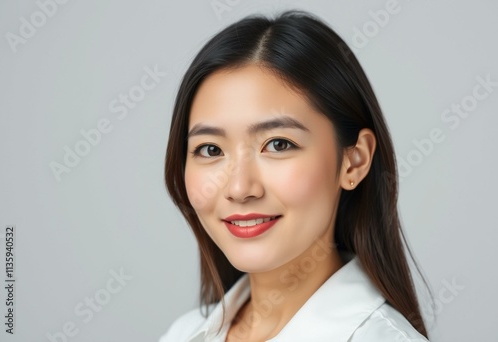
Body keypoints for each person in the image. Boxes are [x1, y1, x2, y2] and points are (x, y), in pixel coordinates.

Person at [160, 10, 431, 342]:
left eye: (278, 144)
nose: (239, 188)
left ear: (354, 161)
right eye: (211, 150)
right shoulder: (182, 335)